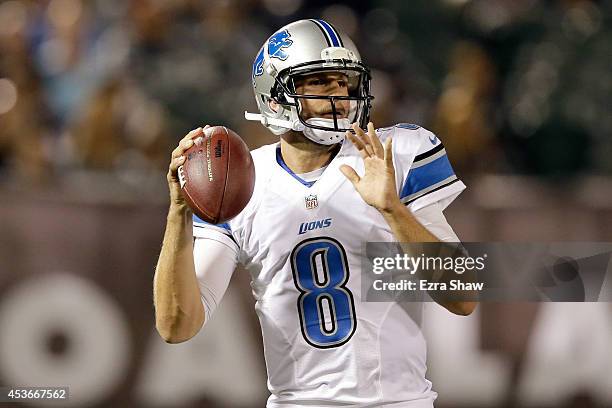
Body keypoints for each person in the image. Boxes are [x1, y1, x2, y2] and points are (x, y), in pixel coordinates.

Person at [154, 19, 476, 408]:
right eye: (321, 82)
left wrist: (393, 210)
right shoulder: (240, 183)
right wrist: (178, 214)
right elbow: (176, 324)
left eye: (344, 82)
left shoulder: (393, 155)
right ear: (275, 97)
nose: (339, 94)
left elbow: (464, 295)